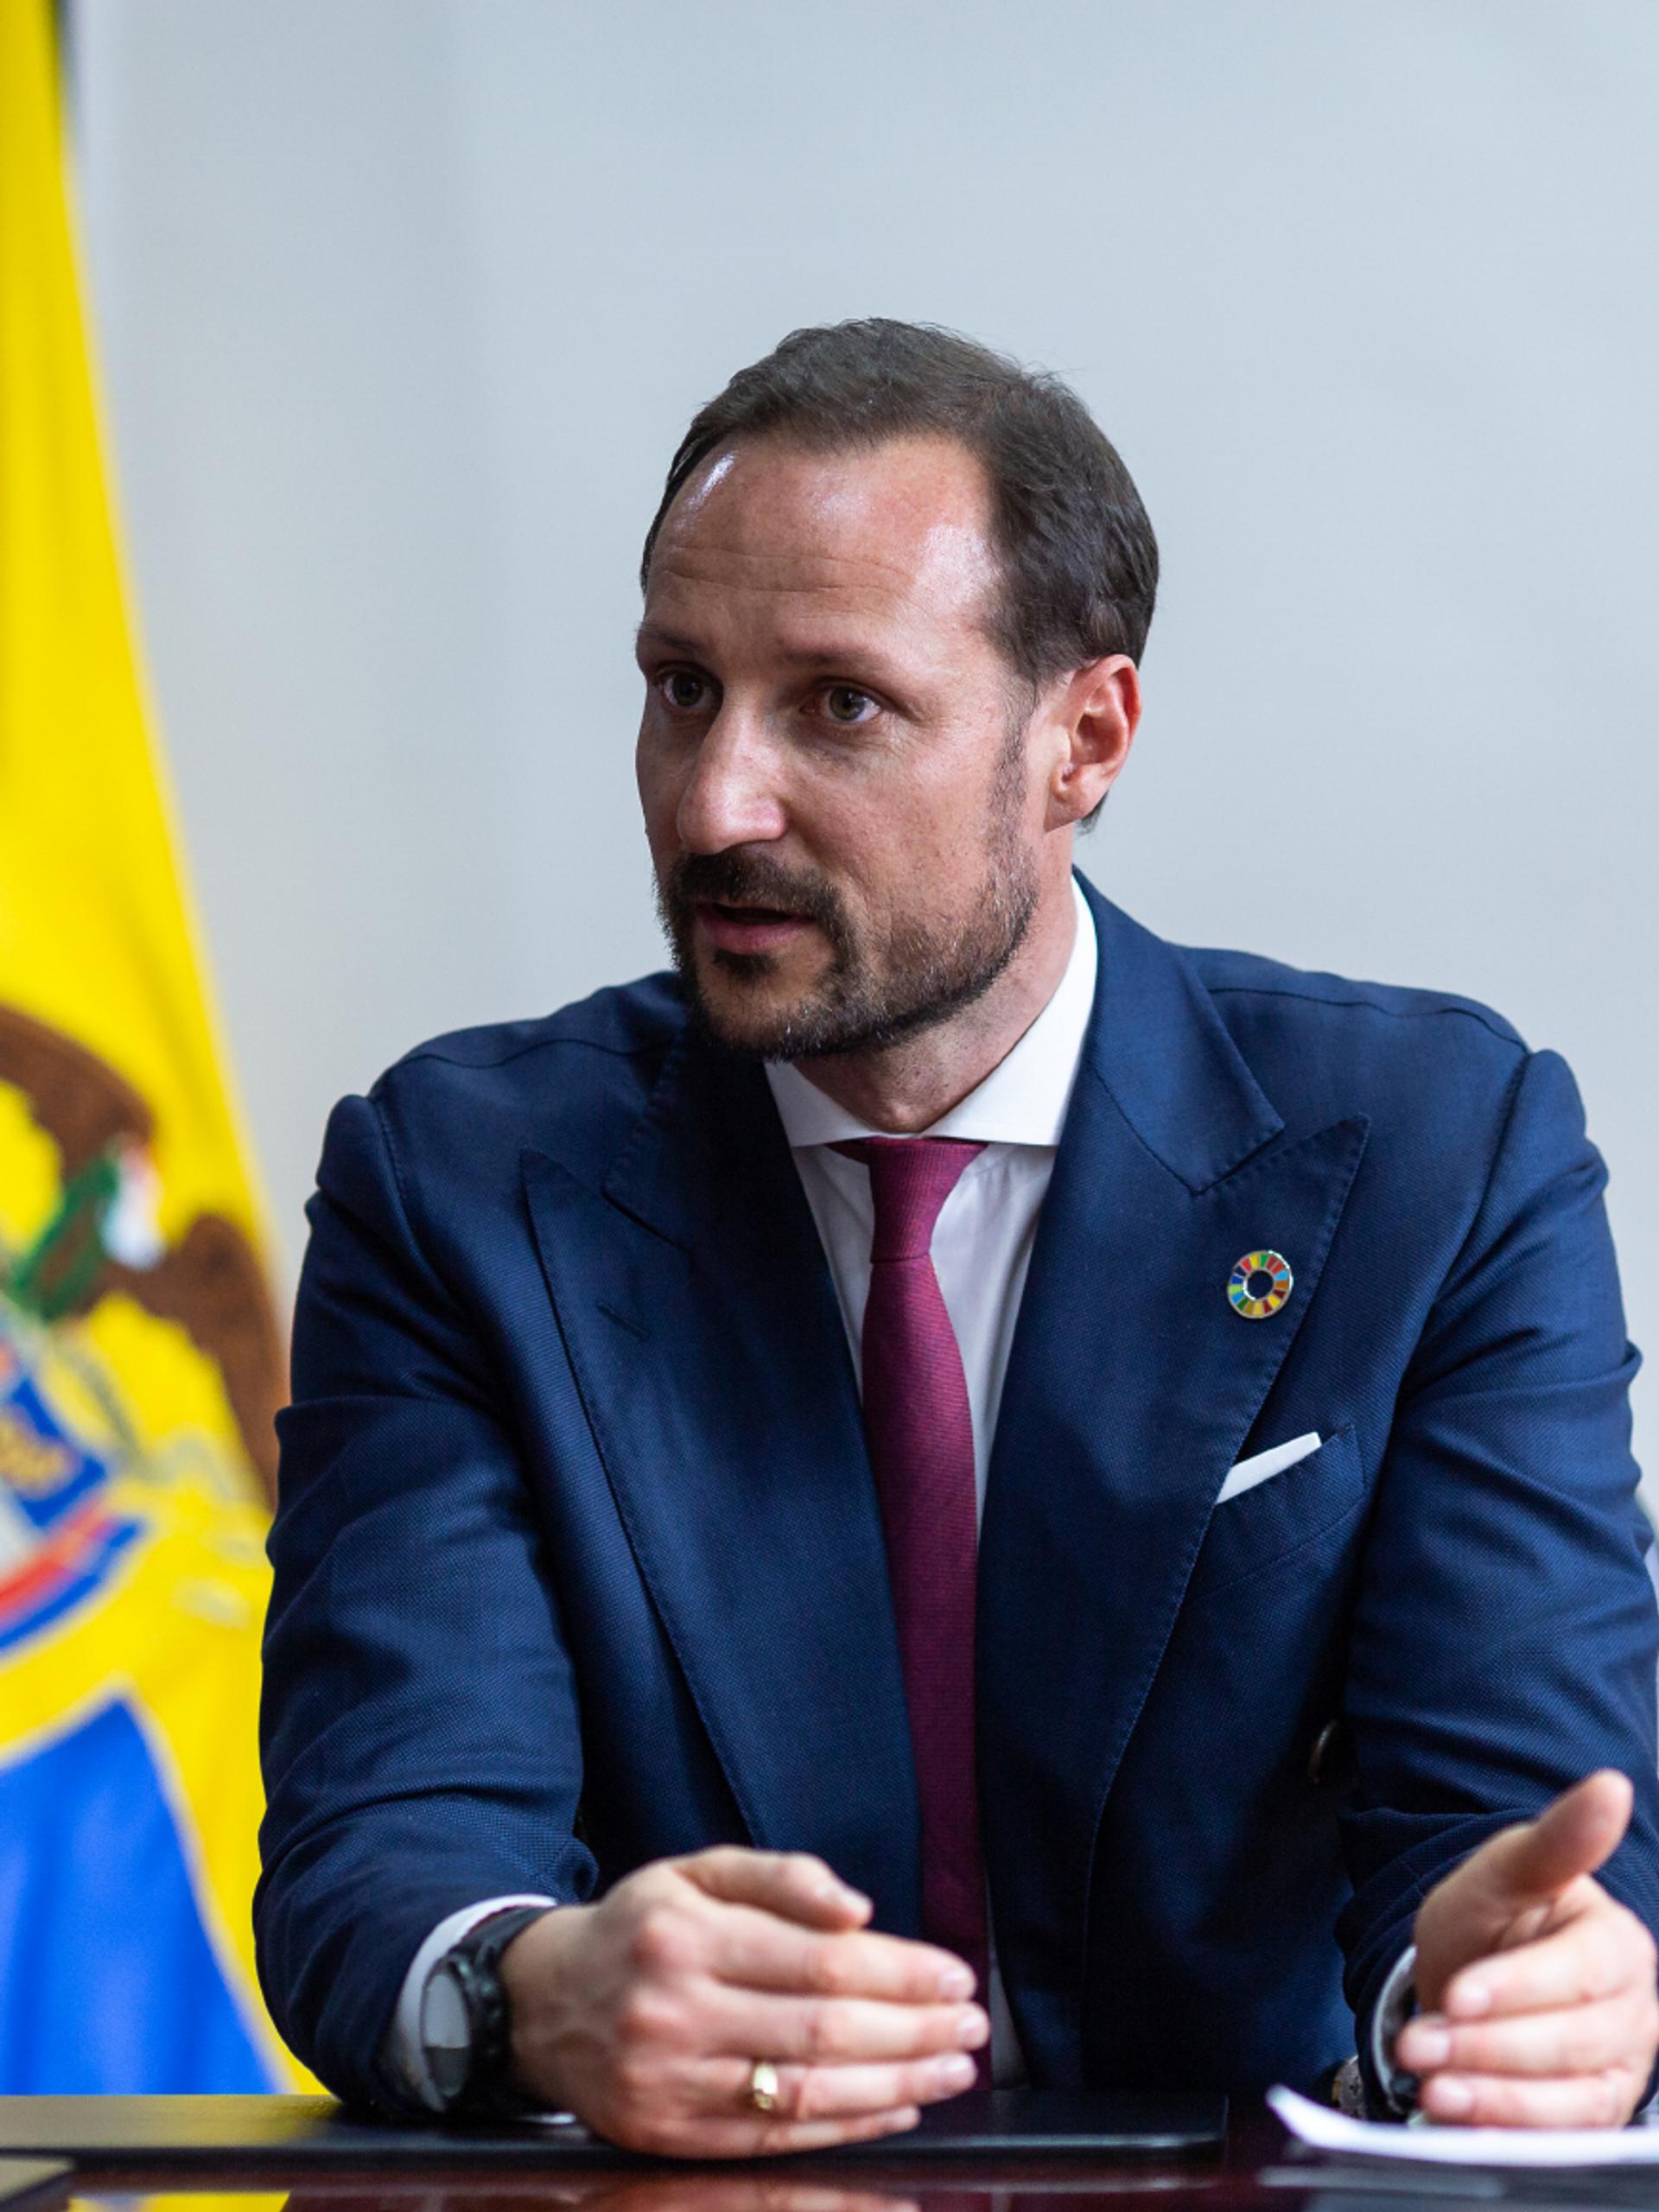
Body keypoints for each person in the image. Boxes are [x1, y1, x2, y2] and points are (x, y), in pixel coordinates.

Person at [256, 320, 1659, 2153]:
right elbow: (385, 1846)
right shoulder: (459, 1182)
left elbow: (1511, 1837)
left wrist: (1494, 2009)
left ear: (1084, 739)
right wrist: (529, 1989)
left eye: (838, 704)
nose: (714, 802)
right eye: (682, 686)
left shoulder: (1436, 1159)